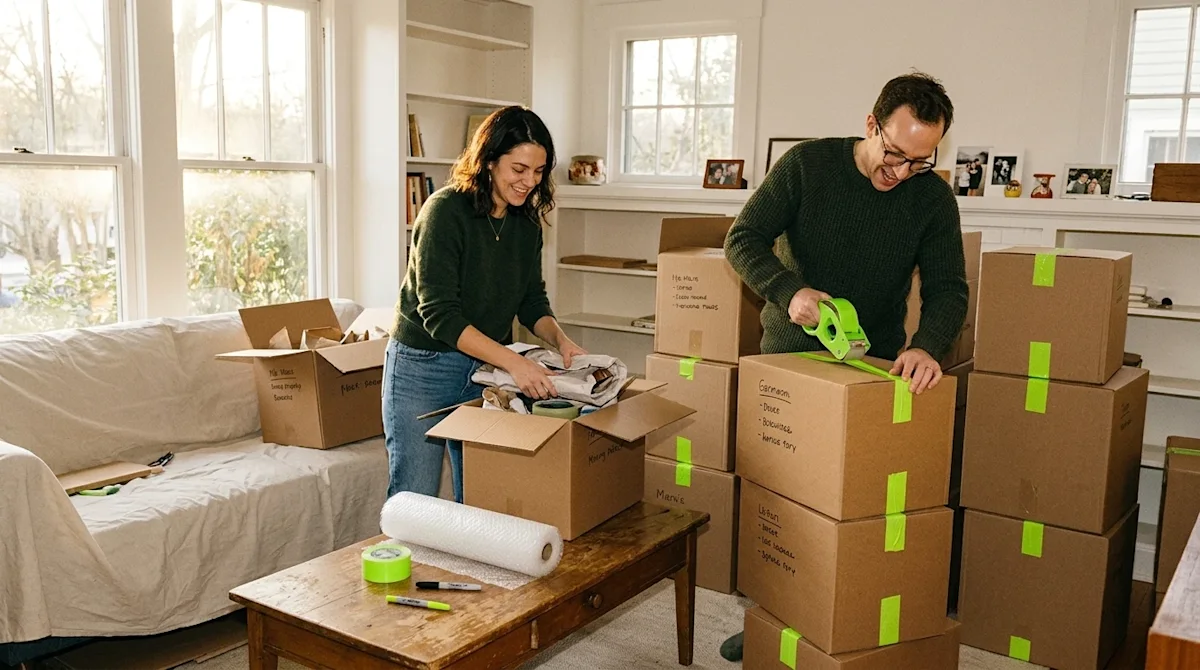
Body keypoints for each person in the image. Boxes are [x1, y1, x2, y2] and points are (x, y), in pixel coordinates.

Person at [716, 71, 969, 661]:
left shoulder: (932, 199)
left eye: (919, 161)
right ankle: (772, 619)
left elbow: (949, 288)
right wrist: (789, 290)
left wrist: (927, 344)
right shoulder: (808, 166)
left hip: (871, 365)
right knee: (781, 500)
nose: (900, 172)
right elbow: (742, 238)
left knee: (850, 508)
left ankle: (839, 617)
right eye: (894, 153)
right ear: (870, 124)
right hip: (791, 358)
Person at [383, 106, 587, 502]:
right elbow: (440, 316)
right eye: (519, 169)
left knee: (479, 497)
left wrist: (561, 341)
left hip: (485, 369)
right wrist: (515, 362)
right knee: (415, 498)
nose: (529, 181)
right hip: (421, 370)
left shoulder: (526, 223)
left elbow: (531, 300)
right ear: (489, 161)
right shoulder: (444, 212)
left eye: (539, 171)